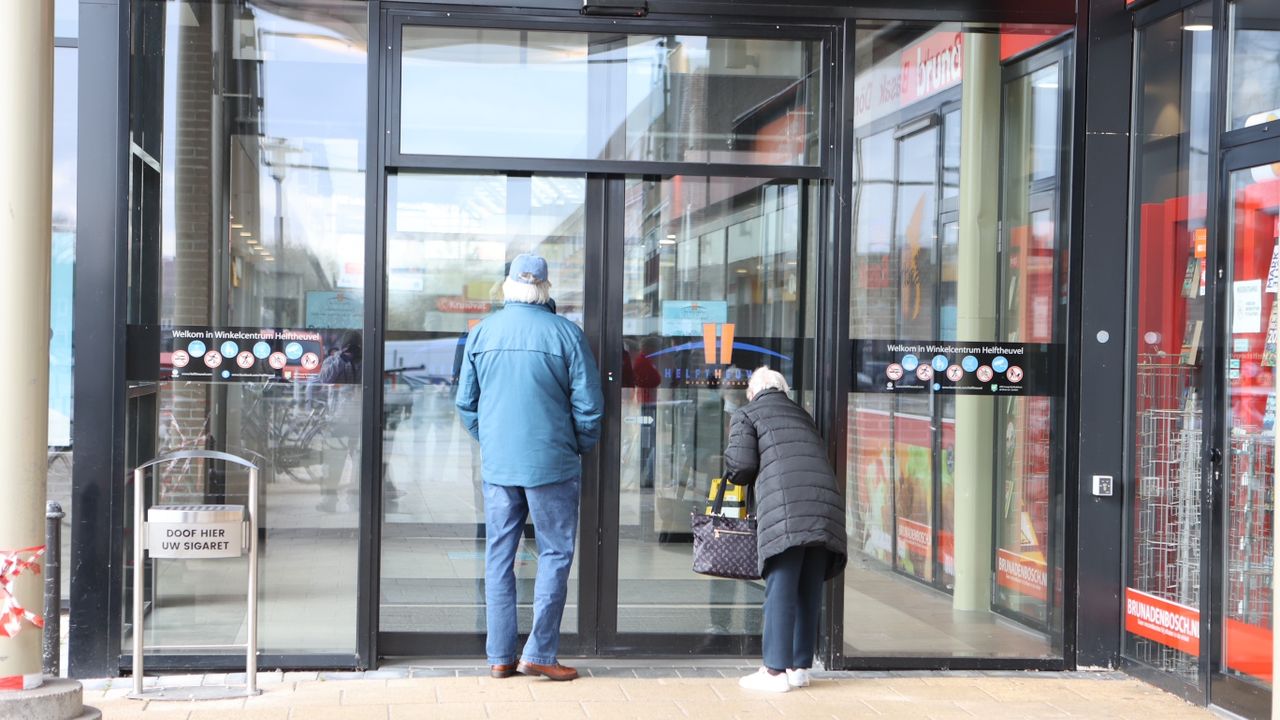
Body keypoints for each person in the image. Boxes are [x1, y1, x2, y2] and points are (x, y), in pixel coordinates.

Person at [455, 253, 604, 682]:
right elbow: (590, 408)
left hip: (500, 466)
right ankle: (539, 653)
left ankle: (500, 656)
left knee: (499, 556)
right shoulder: (566, 335)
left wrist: (495, 441)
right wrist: (575, 446)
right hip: (552, 465)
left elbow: (466, 404)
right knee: (554, 554)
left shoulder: (482, 333)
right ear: (545, 288)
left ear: (508, 288)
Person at [724, 366, 847, 693]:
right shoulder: (803, 415)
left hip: (787, 509)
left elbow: (741, 465)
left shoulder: (747, 414)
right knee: (808, 588)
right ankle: (798, 667)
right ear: (783, 391)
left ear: (753, 392)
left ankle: (774, 671)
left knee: (780, 586)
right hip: (824, 507)